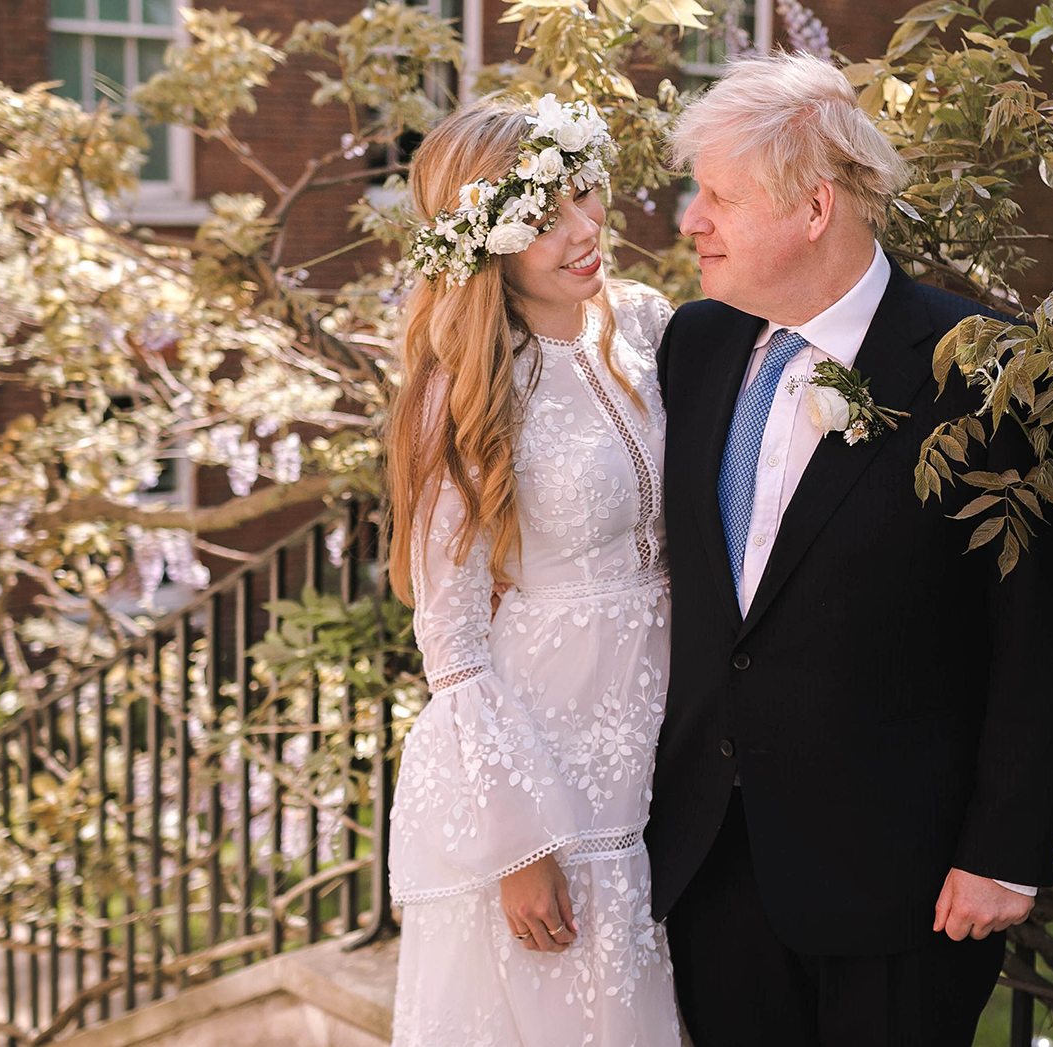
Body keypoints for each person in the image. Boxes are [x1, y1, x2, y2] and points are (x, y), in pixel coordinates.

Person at [645, 52, 1053, 1046]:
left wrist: (1002, 853)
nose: (691, 222)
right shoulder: (695, 346)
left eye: (718, 197)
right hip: (713, 864)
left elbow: (1041, 633)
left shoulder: (987, 369)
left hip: (909, 886)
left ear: (813, 209)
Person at [386, 94, 683, 1047]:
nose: (587, 229)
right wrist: (520, 843)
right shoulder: (465, 386)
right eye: (547, 216)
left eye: (587, 197)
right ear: (490, 241)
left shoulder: (648, 325)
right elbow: (456, 639)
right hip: (549, 758)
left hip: (670, 730)